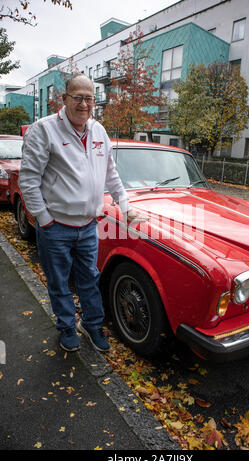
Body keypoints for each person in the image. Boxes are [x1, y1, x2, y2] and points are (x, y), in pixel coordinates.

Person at [19, 73, 144, 353]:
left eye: (89, 98)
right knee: (59, 283)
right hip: (56, 228)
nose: (84, 104)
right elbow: (28, 180)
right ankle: (66, 328)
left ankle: (90, 325)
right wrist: (44, 219)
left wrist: (126, 207)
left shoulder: (98, 131)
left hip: (88, 226)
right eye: (78, 97)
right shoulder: (44, 130)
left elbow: (111, 174)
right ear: (64, 99)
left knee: (89, 278)